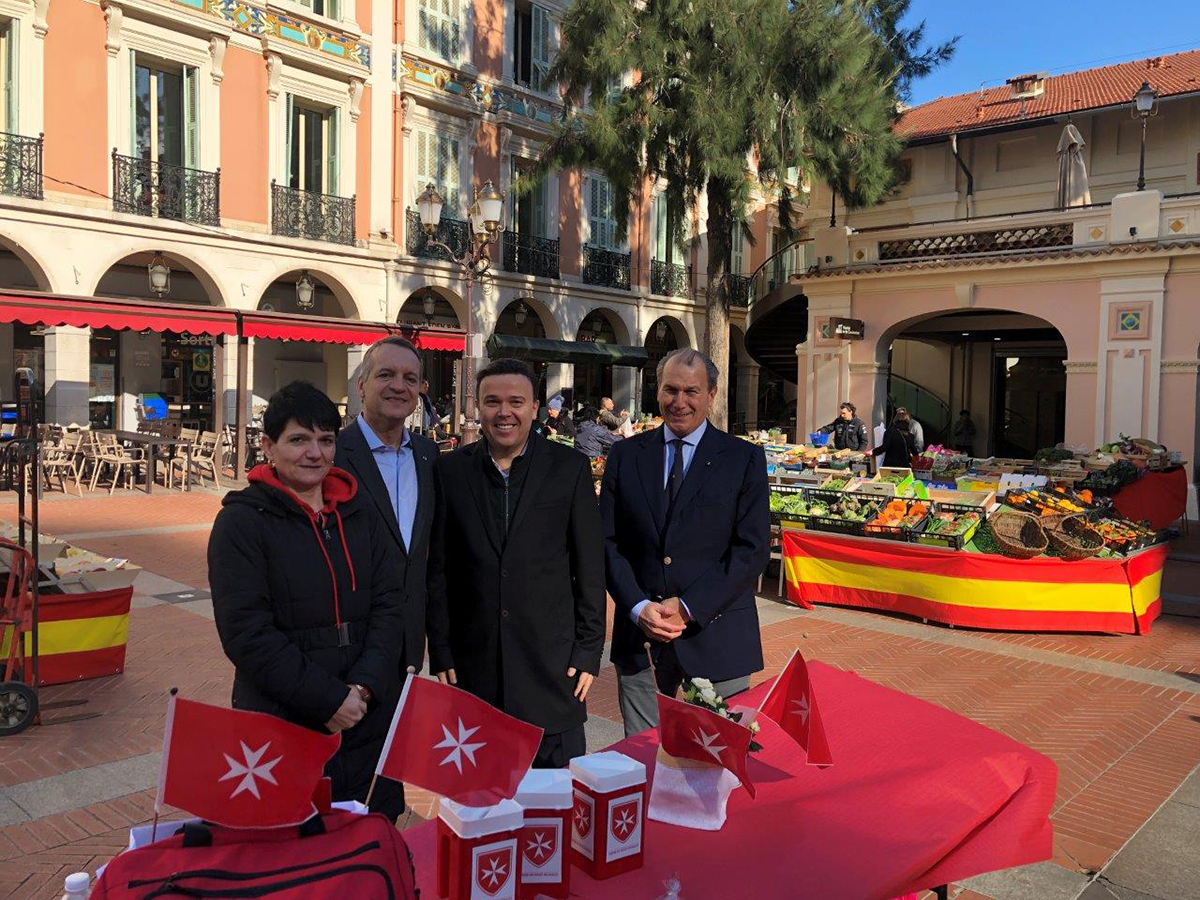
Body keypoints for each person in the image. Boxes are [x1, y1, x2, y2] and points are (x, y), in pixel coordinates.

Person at [209, 381, 405, 818]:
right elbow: (246, 634)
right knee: (295, 848)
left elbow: (391, 604)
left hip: (366, 713)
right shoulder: (241, 523)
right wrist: (328, 700)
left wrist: (364, 687)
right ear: (269, 447)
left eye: (326, 440)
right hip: (285, 717)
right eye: (298, 440)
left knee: (372, 835)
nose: (314, 453)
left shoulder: (360, 513)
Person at [426, 358, 605, 768]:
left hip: (552, 670)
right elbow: (439, 568)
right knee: (481, 805)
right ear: (477, 407)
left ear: (535, 407)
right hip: (475, 669)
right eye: (492, 401)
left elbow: (590, 568)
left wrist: (588, 650)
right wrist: (441, 648)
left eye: (515, 401)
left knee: (554, 806)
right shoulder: (449, 471)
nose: (504, 412)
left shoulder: (569, 469)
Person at [600, 348, 770, 737]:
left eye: (691, 392)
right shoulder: (626, 455)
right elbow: (606, 541)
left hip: (717, 635)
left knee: (717, 763)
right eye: (670, 390)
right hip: (641, 636)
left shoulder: (743, 459)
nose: (679, 402)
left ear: (712, 394)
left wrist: (690, 606)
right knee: (641, 755)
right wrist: (639, 606)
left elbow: (752, 548)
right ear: (657, 392)